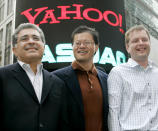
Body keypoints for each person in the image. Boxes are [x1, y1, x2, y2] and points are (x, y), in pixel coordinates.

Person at [0, 23, 69, 131]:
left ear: (44, 47)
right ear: (14, 50)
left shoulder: (58, 83)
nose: (31, 41)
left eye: (36, 38)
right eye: (24, 39)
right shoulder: (2, 76)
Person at [52, 25, 109, 131]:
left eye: (87, 42)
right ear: (72, 47)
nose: (81, 46)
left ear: (96, 47)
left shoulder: (106, 79)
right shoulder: (56, 78)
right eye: (77, 43)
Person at [108, 25, 158, 131]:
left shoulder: (156, 72)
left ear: (149, 43)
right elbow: (113, 112)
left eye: (144, 39)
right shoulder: (118, 73)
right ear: (127, 47)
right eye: (135, 41)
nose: (141, 43)